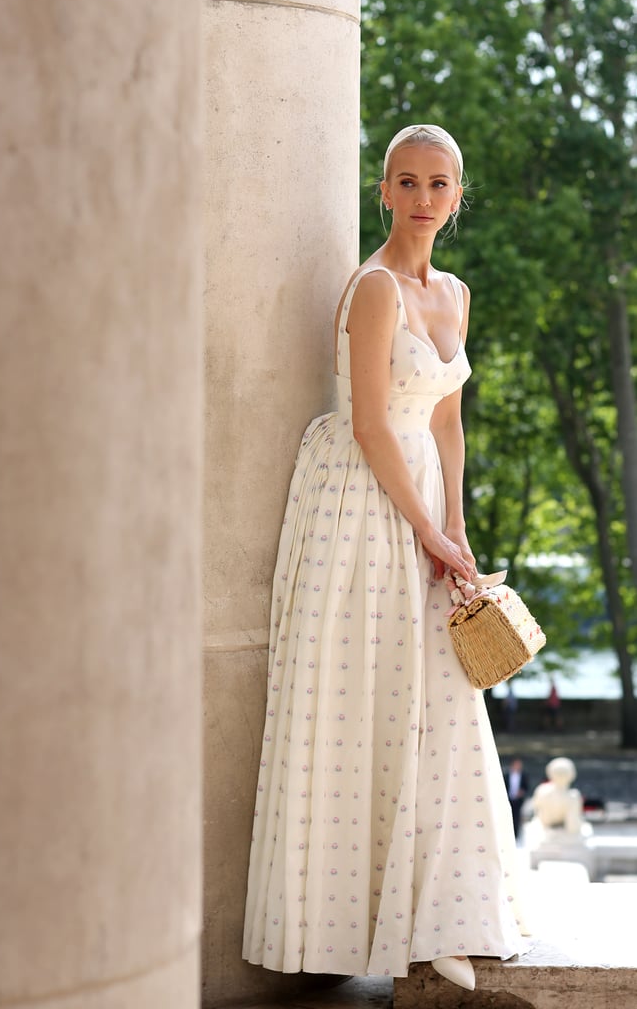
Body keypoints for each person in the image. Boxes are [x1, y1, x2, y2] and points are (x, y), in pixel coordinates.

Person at [242, 125, 527, 993]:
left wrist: (458, 523)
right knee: (367, 693)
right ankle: (359, 926)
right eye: (405, 181)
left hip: (424, 498)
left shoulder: (455, 292)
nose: (422, 197)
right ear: (384, 192)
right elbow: (370, 424)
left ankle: (440, 913)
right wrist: (425, 531)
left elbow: (445, 416)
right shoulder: (372, 289)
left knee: (437, 697)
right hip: (362, 500)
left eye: (438, 183)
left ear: (456, 195)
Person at [503, 757, 529, 839]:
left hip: (518, 800)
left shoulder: (524, 775)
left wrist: (521, 792)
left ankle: (516, 835)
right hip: (508, 799)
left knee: (517, 817)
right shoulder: (506, 775)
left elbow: (526, 787)